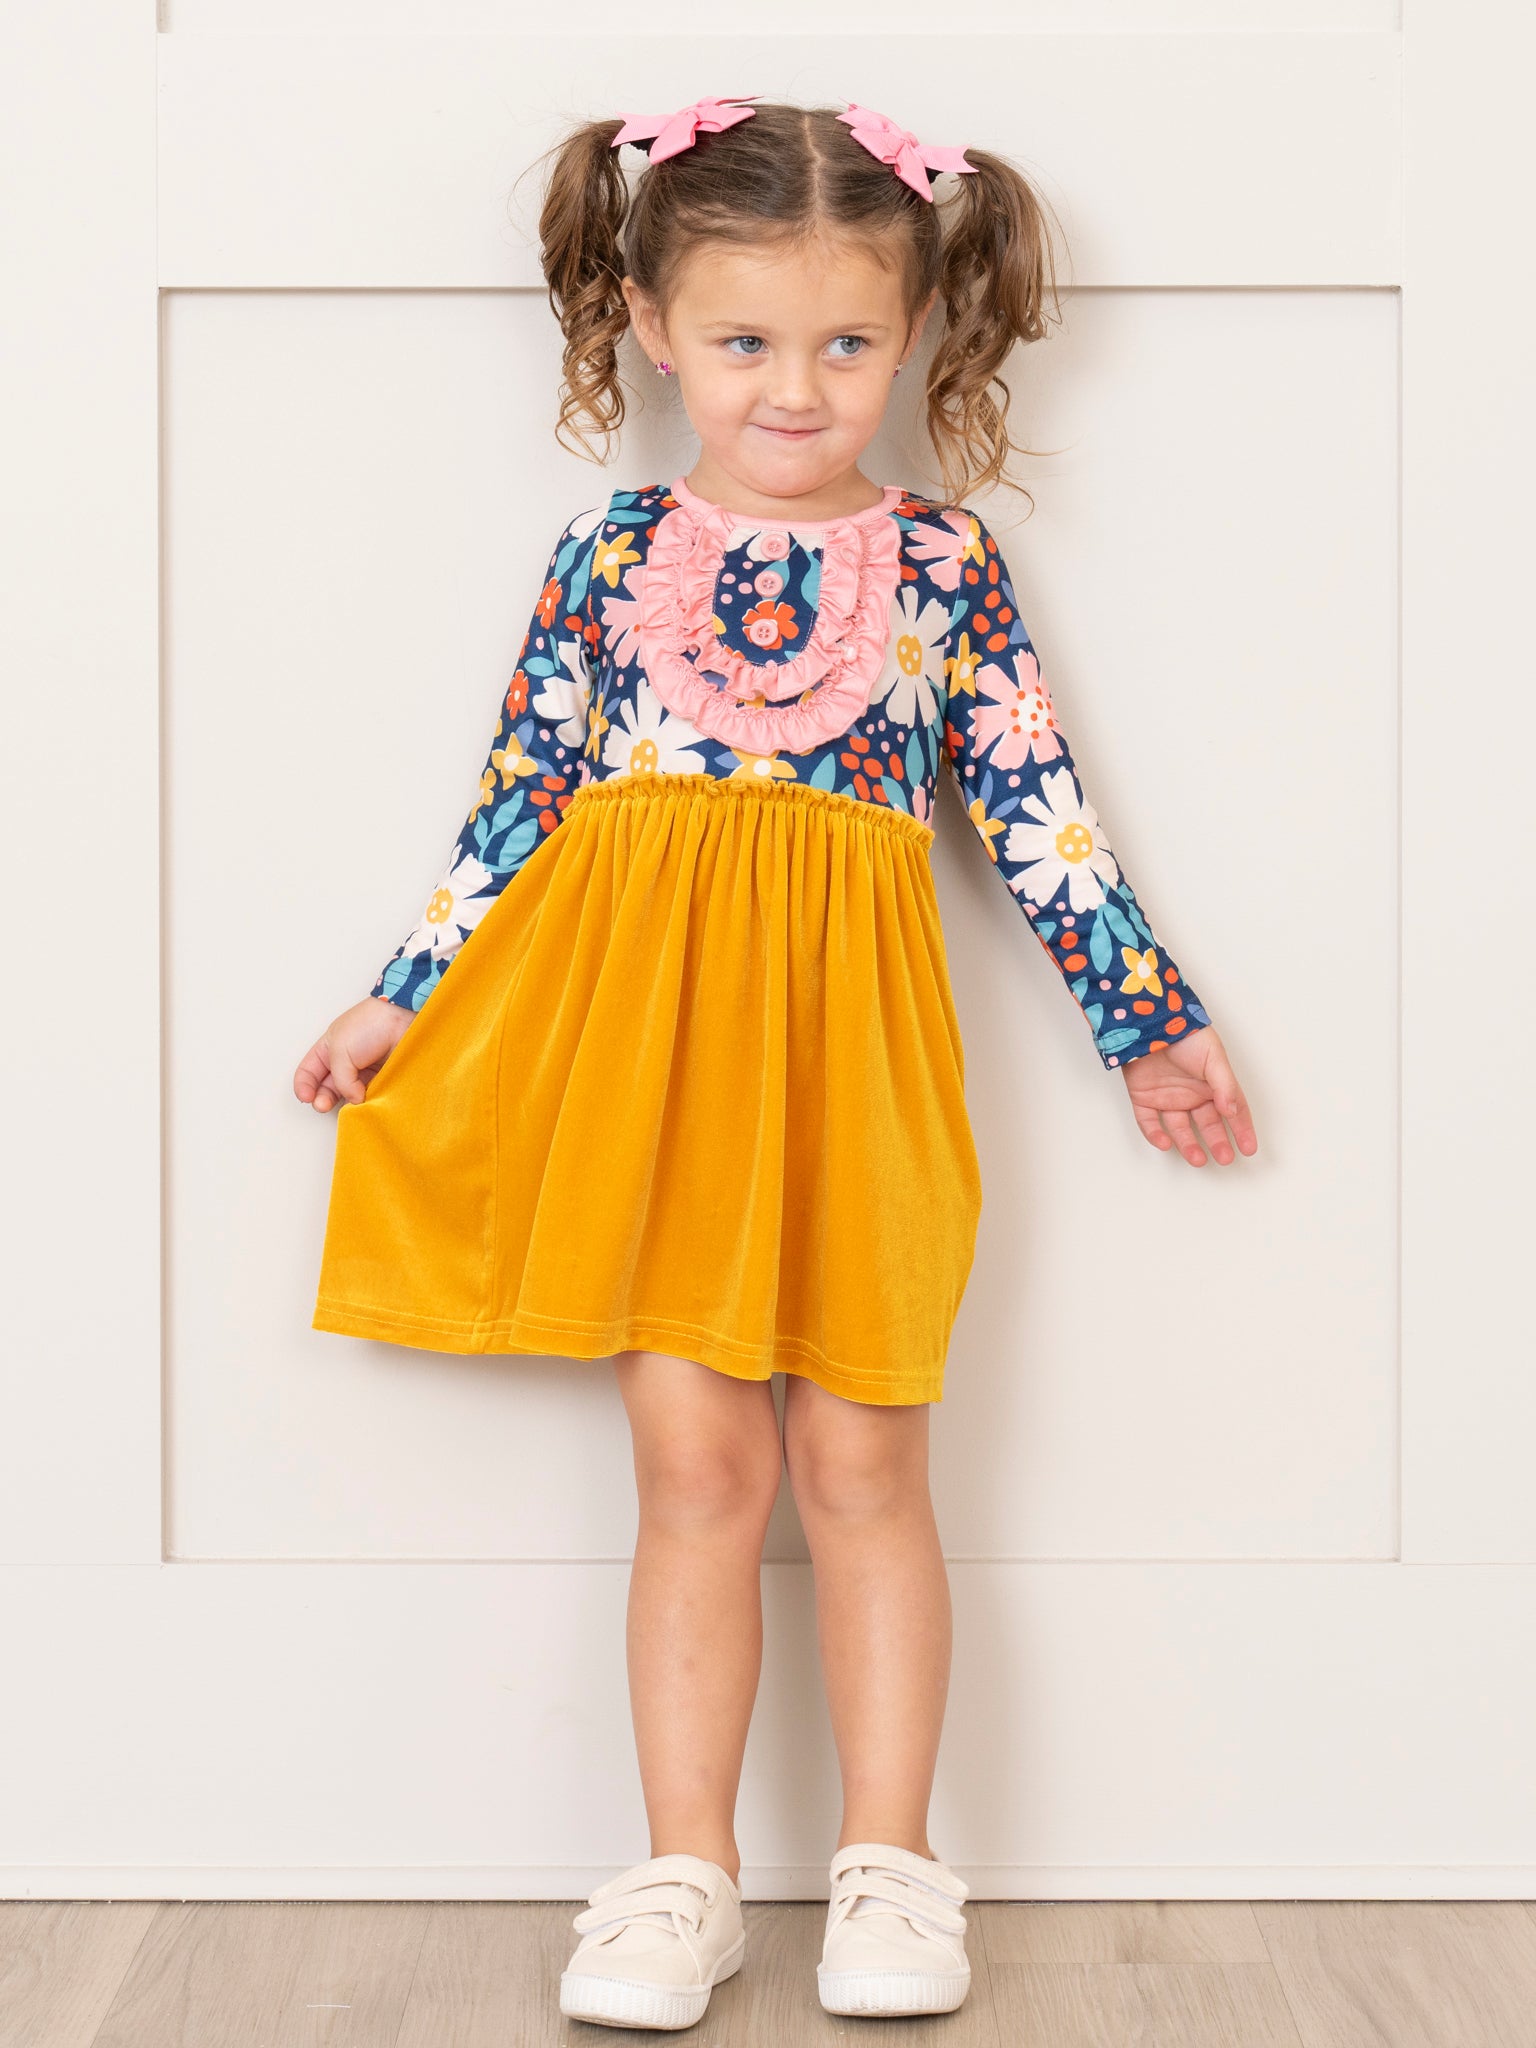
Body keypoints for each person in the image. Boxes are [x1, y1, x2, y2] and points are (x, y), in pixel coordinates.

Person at [293, 93, 1258, 2031]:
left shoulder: (944, 564)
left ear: (917, 335)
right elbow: (521, 794)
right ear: (654, 327)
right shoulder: (608, 548)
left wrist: (1149, 1018)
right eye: (745, 339)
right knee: (698, 1465)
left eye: (846, 342)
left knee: (867, 1455)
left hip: (857, 1062)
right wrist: (403, 988)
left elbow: (1037, 811)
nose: (796, 388)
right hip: (649, 1063)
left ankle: (893, 1863)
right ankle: (686, 1876)